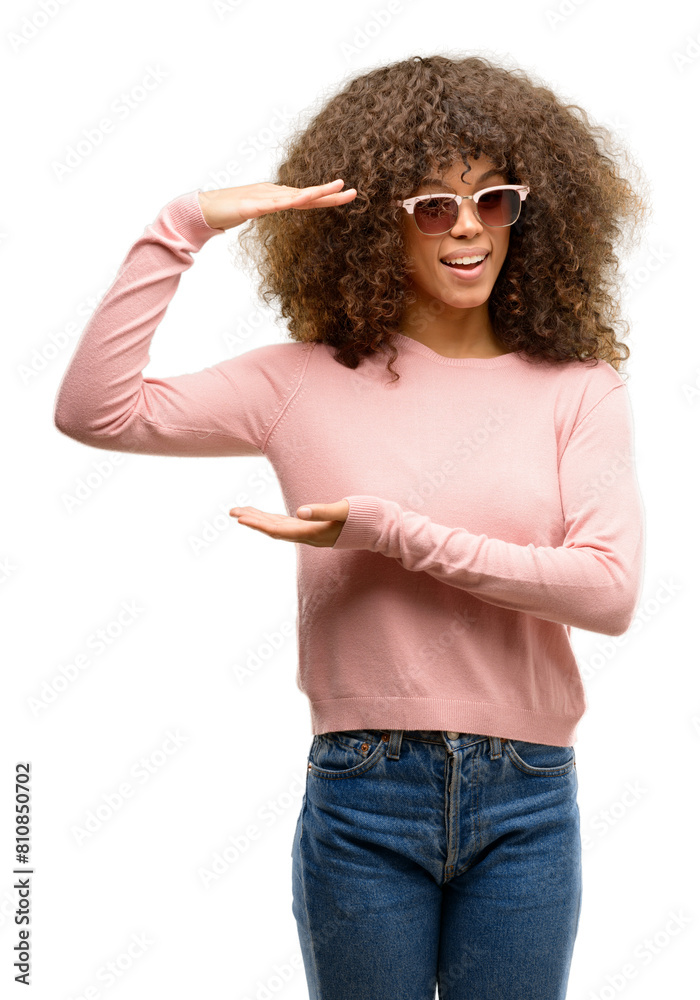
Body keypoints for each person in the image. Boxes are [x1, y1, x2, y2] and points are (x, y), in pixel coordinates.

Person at [53, 53, 648, 1000]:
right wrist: (184, 225)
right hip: (365, 788)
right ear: (378, 224)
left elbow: (607, 593)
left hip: (529, 796)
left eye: (492, 201)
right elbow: (95, 411)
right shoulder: (300, 381)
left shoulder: (580, 391)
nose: (466, 229)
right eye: (431, 206)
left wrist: (390, 531)